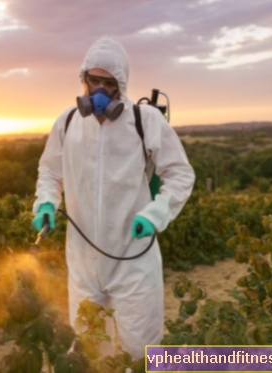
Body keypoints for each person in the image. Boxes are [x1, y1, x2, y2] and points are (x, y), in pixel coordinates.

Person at [31, 37, 195, 360]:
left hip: (133, 262)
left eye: (109, 83)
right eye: (94, 81)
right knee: (92, 354)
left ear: (121, 85)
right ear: (83, 80)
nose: (101, 91)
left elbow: (180, 174)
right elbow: (50, 173)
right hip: (82, 265)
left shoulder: (144, 121)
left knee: (143, 354)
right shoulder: (67, 123)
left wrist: (155, 214)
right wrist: (47, 202)